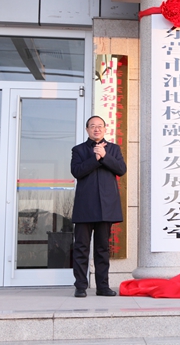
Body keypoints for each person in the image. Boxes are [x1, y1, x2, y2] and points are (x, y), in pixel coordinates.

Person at [71, 116, 126, 297]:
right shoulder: (78, 150)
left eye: (99, 126)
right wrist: (95, 158)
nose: (96, 129)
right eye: (92, 126)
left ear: (105, 129)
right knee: (81, 248)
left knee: (102, 249)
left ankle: (103, 286)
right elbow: (77, 172)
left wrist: (104, 156)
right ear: (87, 129)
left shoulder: (114, 149)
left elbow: (120, 169)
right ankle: (80, 286)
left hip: (106, 208)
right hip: (85, 207)